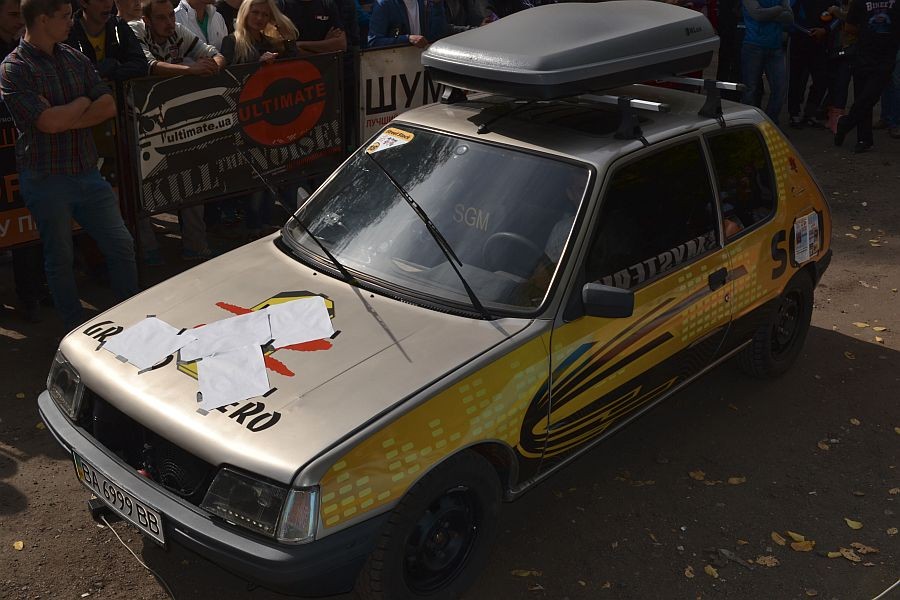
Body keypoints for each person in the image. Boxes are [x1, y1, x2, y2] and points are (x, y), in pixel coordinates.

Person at [0, 0, 139, 330]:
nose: (70, 22)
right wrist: (83, 102)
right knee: (59, 258)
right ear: (43, 19)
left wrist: (67, 114)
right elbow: (48, 123)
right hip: (47, 179)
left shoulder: (74, 57)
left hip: (87, 172)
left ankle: (133, 317)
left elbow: (108, 105)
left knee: (121, 245)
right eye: (64, 16)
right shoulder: (14, 68)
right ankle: (75, 327)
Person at [131, 0, 224, 261]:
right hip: (140, 121)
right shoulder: (133, 30)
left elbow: (212, 52)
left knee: (191, 178)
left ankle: (196, 245)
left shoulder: (177, 31)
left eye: (171, 16)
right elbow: (148, 65)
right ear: (147, 20)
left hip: (174, 119)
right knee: (142, 185)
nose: (169, 23)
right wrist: (191, 70)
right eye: (161, 18)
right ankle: (148, 249)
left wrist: (214, 65)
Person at [0, 0, 48, 323]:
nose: (19, 20)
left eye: (21, 13)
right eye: (12, 14)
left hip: (25, 148)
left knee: (27, 222)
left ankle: (33, 292)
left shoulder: (28, 48)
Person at [834, 0, 900, 152]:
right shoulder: (860, 1)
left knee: (870, 95)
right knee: (862, 97)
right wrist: (866, 32)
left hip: (886, 57)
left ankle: (845, 124)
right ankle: (864, 139)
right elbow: (849, 26)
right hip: (863, 55)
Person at [740, 0, 793, 123]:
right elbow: (758, 15)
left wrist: (767, 13)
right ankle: (749, 123)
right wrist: (779, 9)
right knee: (750, 89)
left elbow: (790, 18)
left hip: (775, 47)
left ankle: (770, 122)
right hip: (753, 46)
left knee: (780, 88)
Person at [66, 0, 148, 80]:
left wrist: (112, 72)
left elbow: (141, 65)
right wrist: (105, 68)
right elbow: (73, 74)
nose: (108, 5)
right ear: (83, 2)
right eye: (101, 0)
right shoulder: (69, 33)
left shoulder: (119, 26)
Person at [787, 0, 835, 127]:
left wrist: (825, 30)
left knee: (821, 79)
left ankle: (810, 113)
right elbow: (789, 16)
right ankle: (794, 113)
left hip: (820, 44)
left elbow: (837, 17)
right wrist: (808, 32)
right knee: (796, 79)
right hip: (799, 41)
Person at [367, 0, 450, 47]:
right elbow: (374, 41)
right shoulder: (384, 4)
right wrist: (408, 39)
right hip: (396, 64)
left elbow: (438, 36)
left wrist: (437, 5)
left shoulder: (427, 3)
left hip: (423, 63)